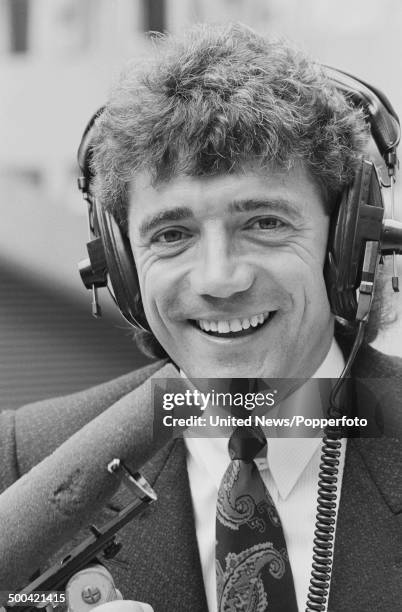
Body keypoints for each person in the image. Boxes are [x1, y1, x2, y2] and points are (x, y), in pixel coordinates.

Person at [1, 23, 401, 612]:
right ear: (122, 269)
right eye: (172, 234)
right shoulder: (24, 457)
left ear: (348, 250)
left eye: (264, 222)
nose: (219, 279)